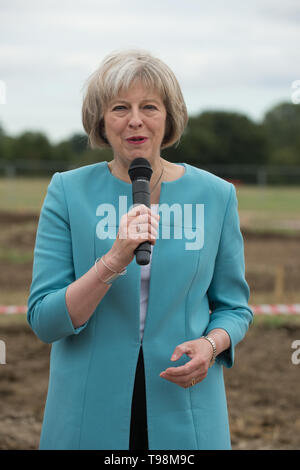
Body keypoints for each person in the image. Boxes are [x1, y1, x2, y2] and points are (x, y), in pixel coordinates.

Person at [27, 49, 253, 450]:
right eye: (119, 107)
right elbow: (45, 320)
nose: (135, 119)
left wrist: (211, 344)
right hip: (85, 419)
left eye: (149, 106)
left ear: (169, 117)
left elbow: (234, 308)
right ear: (101, 120)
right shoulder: (67, 192)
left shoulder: (216, 196)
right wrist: (113, 260)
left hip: (186, 414)